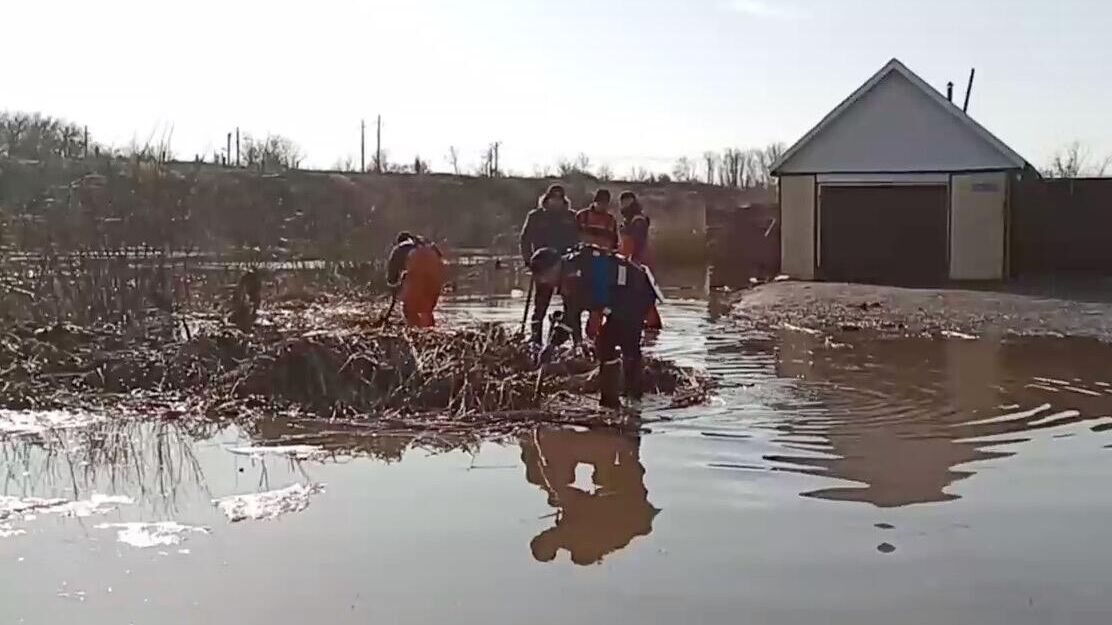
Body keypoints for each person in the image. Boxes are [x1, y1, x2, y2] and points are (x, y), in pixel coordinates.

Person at [529, 245, 659, 409]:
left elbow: (572, 314)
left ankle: (629, 400)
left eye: (545, 277)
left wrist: (553, 344)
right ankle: (616, 400)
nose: (545, 282)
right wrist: (552, 345)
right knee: (607, 343)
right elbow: (570, 316)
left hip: (636, 292)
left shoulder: (577, 274)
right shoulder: (568, 276)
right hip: (621, 298)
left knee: (622, 343)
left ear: (555, 267)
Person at [519, 184, 579, 345]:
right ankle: (536, 341)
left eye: (559, 199)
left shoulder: (571, 217)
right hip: (543, 265)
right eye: (553, 198)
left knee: (572, 306)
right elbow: (525, 239)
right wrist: (529, 261)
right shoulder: (536, 216)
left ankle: (577, 342)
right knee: (540, 306)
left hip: (566, 265)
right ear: (547, 199)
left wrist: (576, 262)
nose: (556, 202)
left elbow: (578, 240)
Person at [575, 189, 619, 339]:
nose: (603, 206)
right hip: (583, 263)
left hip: (602, 264)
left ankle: (593, 337)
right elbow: (573, 237)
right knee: (577, 302)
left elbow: (615, 243)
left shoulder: (611, 220)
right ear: (595, 202)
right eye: (600, 203)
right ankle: (577, 338)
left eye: (606, 204)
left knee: (599, 304)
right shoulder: (582, 216)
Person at [618, 191, 662, 330]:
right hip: (633, 262)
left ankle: (652, 327)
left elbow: (636, 242)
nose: (625, 205)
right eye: (623, 202)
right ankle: (641, 324)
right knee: (634, 297)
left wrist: (630, 261)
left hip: (640, 264)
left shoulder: (638, 221)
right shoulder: (629, 220)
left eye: (628, 202)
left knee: (645, 298)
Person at [386, 231, 445, 328]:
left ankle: (415, 331)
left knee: (409, 309)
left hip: (418, 265)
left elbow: (391, 279)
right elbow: (440, 258)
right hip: (435, 268)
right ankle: (430, 331)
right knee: (427, 310)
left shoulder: (400, 248)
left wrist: (396, 287)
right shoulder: (426, 243)